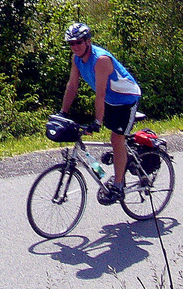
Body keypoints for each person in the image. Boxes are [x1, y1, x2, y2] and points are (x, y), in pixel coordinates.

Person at [60, 21, 141, 204]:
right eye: (71, 43)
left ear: (88, 41)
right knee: (113, 139)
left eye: (78, 42)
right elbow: (72, 85)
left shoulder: (101, 60)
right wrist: (63, 112)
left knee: (116, 138)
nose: (75, 47)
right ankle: (120, 161)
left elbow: (100, 93)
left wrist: (97, 121)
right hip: (110, 100)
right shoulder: (77, 59)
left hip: (126, 99)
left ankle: (119, 186)